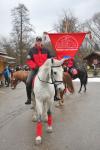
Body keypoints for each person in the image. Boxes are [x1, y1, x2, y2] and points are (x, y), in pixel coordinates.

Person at [25, 36, 56, 104]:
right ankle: (29, 98)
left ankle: (55, 95)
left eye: (40, 41)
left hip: (45, 69)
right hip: (35, 69)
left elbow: (51, 57)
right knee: (28, 81)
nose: (39, 42)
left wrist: (54, 57)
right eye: (37, 41)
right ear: (36, 41)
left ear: (41, 42)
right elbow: (29, 60)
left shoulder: (46, 50)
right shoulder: (31, 50)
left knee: (54, 78)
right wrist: (34, 66)